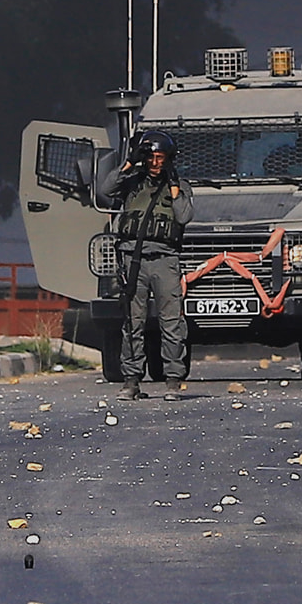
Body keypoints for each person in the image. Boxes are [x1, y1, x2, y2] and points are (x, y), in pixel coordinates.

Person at [97, 129, 193, 400]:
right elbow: (106, 189)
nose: (155, 163)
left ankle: (173, 380)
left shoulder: (180, 186)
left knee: (171, 323)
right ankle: (131, 380)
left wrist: (173, 185)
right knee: (132, 322)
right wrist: (129, 162)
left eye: (160, 158)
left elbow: (184, 216)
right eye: (150, 157)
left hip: (165, 260)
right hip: (133, 260)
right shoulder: (132, 182)